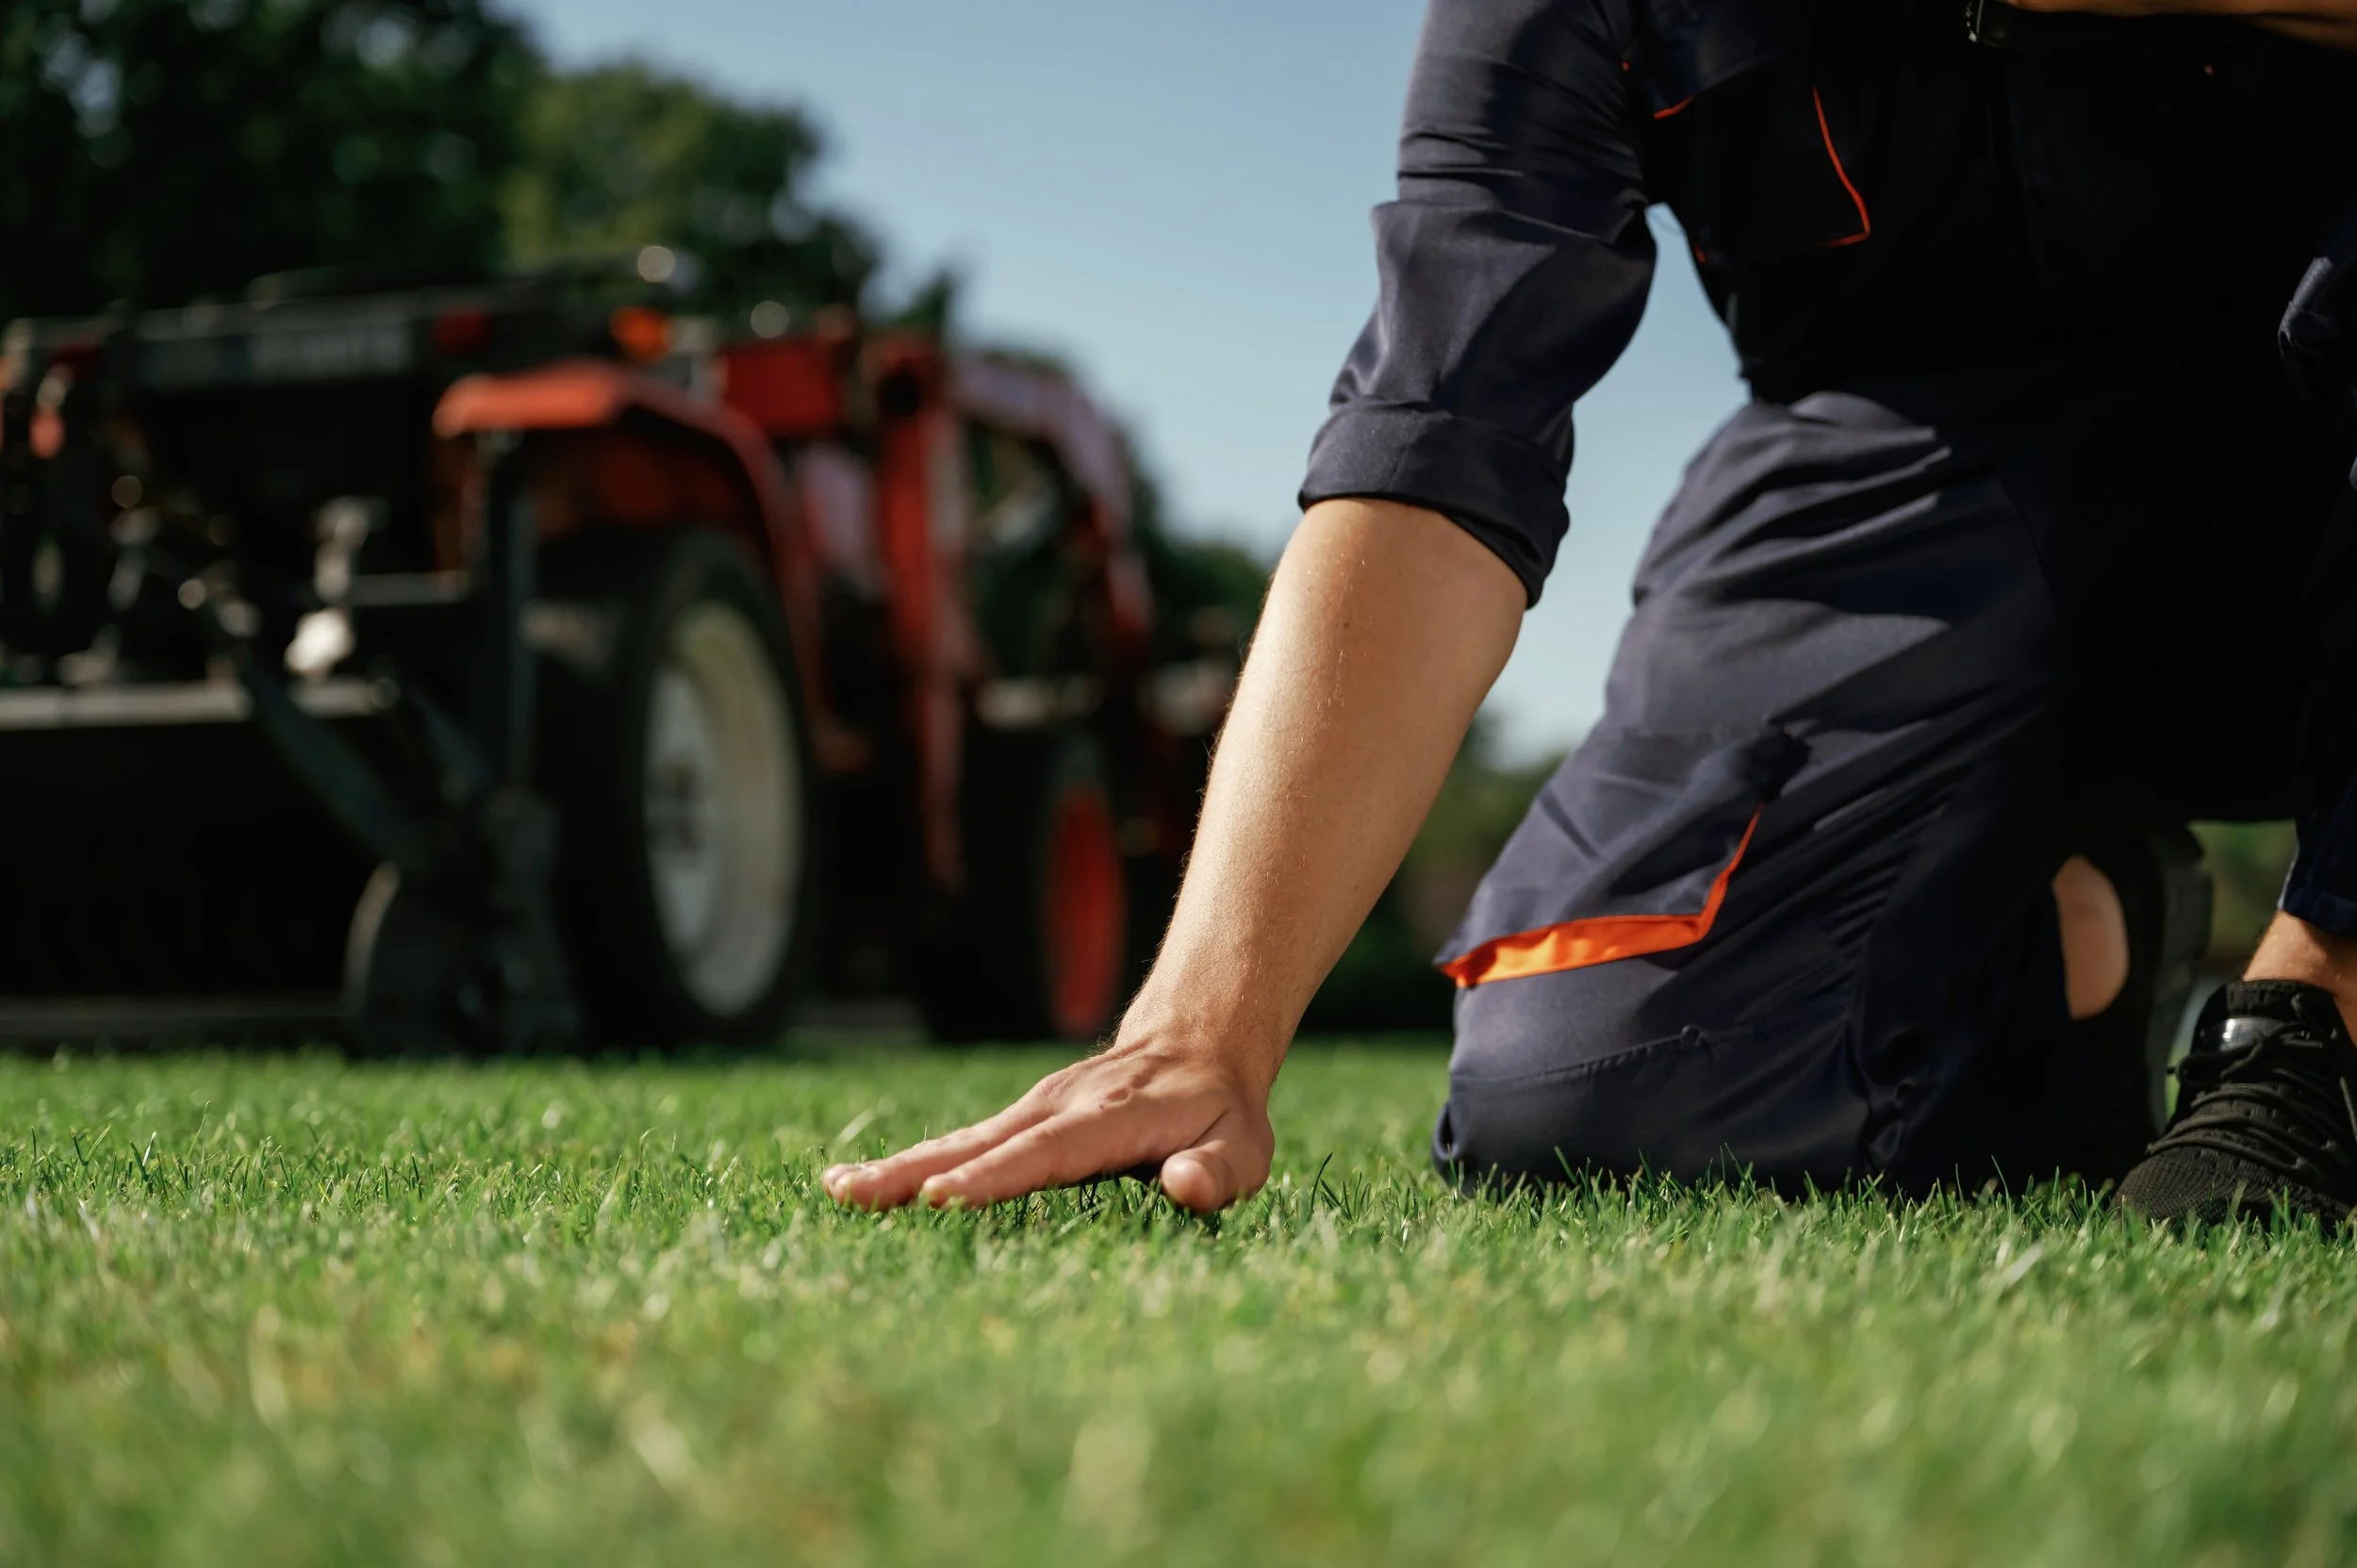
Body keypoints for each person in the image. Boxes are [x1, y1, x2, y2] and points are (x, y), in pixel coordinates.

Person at [828, 0, 2357, 1225]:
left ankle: (2323, 1001)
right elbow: (1436, 437)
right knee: (1597, 1087)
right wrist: (1200, 1025)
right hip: (1905, 476)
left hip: (2310, 407)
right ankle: (2081, 934)